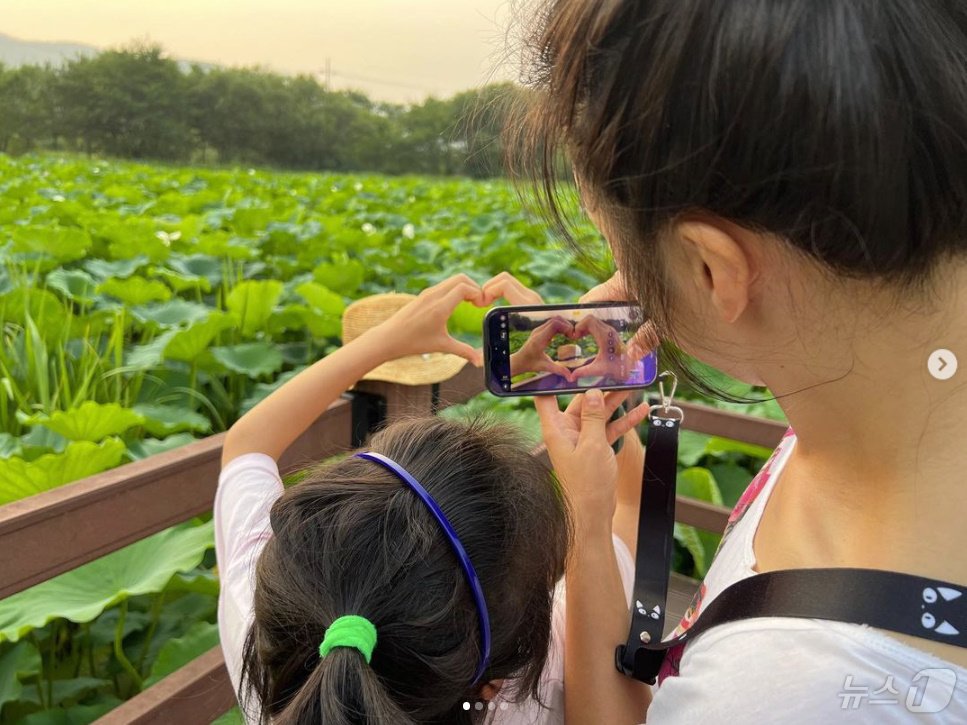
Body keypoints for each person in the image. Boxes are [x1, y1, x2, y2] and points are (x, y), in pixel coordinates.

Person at [514, 0, 967, 721]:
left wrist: (584, 526)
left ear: (711, 267)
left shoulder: (775, 696)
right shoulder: (874, 406)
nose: (624, 286)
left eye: (622, 250)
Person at [215, 271, 650, 724]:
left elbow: (247, 446)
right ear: (494, 684)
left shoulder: (271, 654)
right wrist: (591, 384)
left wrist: (382, 340)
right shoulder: (558, 682)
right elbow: (630, 507)